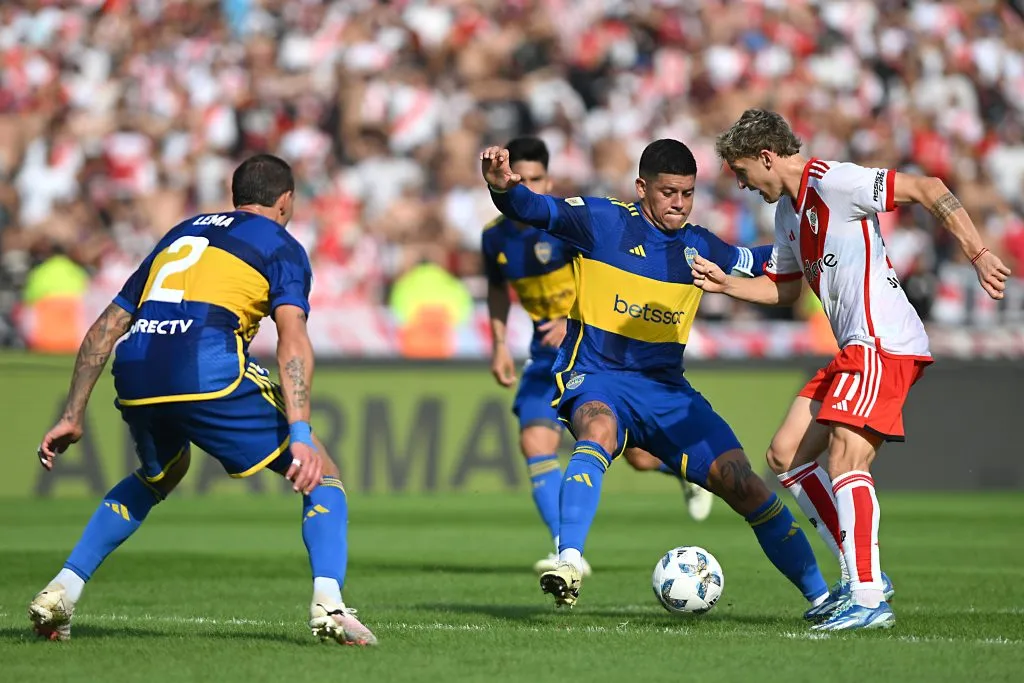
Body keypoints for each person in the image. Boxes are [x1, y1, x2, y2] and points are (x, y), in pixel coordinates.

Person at [28, 154, 377, 646]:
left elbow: (106, 327)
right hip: (205, 366)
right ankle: (330, 606)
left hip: (136, 368)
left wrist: (71, 414)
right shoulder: (281, 244)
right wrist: (300, 433)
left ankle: (62, 589)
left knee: (159, 475)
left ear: (236, 196)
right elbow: (292, 338)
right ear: (286, 201)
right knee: (325, 474)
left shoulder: (181, 234)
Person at [480, 139, 830, 617]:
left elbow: (766, 263)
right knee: (597, 430)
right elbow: (536, 209)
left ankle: (825, 599)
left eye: (687, 193)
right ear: (642, 187)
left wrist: (821, 243)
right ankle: (568, 562)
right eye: (669, 192)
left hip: (666, 391)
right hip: (597, 376)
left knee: (745, 485)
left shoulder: (700, 245)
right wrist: (503, 191)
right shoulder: (601, 221)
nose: (679, 203)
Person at [693, 108, 1011, 631]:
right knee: (786, 455)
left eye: (742, 171)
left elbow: (928, 187)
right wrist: (725, 285)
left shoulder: (836, 181)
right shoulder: (787, 215)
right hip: (853, 350)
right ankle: (865, 577)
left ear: (766, 157)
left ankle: (866, 597)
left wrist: (976, 251)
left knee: (846, 460)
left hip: (882, 341)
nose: (742, 185)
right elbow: (787, 288)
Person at [482, 137, 725, 576]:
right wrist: (499, 341)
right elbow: (498, 289)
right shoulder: (495, 237)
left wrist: (569, 316)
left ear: (547, 180)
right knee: (534, 442)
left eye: (536, 179)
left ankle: (686, 474)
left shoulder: (562, 229)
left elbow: (607, 275)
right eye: (522, 178)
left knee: (636, 455)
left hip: (595, 352)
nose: (528, 184)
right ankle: (565, 549)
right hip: (544, 358)